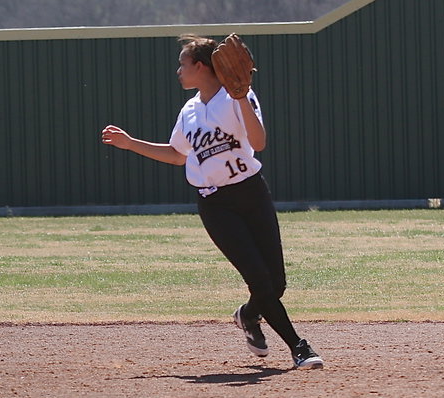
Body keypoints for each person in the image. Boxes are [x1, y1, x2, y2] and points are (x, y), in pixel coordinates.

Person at [100, 34, 324, 370]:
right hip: (215, 203)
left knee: (275, 283)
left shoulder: (238, 96)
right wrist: (131, 144)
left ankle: (248, 315)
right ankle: (299, 346)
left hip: (251, 192)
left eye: (183, 64)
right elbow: (178, 155)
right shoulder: (190, 110)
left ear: (201, 67)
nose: (179, 71)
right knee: (259, 280)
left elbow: (259, 142)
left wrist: (243, 98)